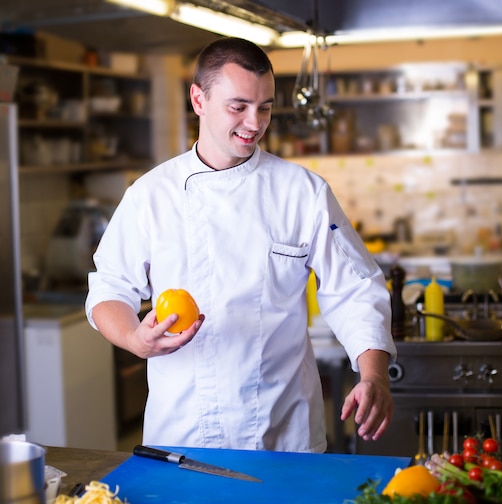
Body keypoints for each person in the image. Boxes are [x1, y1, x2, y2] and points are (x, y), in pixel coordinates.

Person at [85, 37, 396, 453]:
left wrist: (372, 373)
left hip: (284, 434)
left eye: (265, 107)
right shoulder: (151, 195)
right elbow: (108, 288)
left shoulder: (302, 192)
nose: (255, 122)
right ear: (198, 99)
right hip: (184, 433)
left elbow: (355, 288)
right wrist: (133, 338)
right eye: (239, 106)